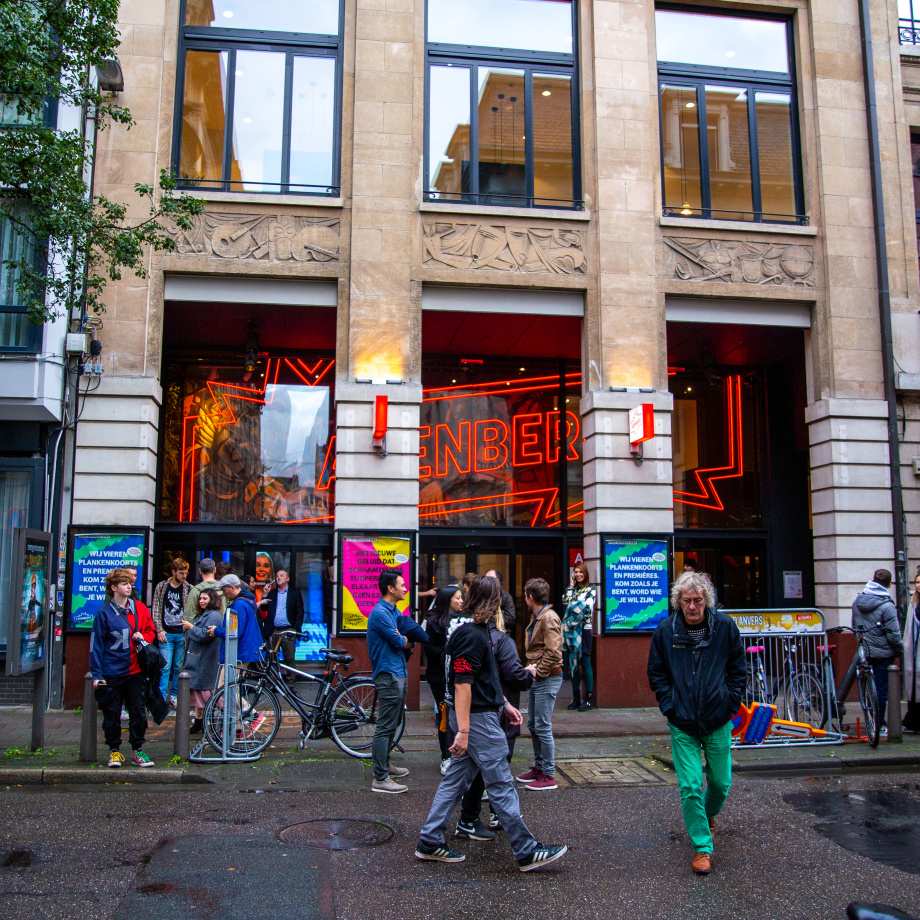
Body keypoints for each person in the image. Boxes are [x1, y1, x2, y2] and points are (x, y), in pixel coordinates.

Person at [415, 575, 566, 871]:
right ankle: (525, 850)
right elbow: (462, 684)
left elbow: (484, 680)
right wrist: (464, 730)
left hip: (479, 715)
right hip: (479, 721)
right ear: (493, 602)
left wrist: (503, 704)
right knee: (501, 784)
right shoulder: (472, 635)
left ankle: (429, 840)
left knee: (454, 781)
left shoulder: (476, 631)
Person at [647, 570, 746, 875]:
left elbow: (738, 669)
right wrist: (670, 706)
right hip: (683, 722)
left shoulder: (725, 627)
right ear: (678, 601)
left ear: (707, 601)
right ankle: (703, 847)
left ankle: (706, 814)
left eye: (698, 600)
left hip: (718, 719)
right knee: (690, 785)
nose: (692, 606)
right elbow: (657, 674)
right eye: (687, 600)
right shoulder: (666, 630)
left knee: (720, 784)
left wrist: (729, 703)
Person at [455, 603, 533, 837]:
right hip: (491, 713)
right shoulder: (499, 640)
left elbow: (464, 678)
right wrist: (529, 674)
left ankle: (461, 822)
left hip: (480, 710)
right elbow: (512, 675)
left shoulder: (467, 635)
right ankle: (516, 836)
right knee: (498, 770)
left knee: (466, 774)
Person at [367, 570, 429, 794]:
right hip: (388, 674)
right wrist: (406, 640)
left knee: (394, 722)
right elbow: (398, 641)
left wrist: (405, 639)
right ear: (390, 588)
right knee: (385, 725)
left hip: (398, 671)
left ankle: (385, 764)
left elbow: (406, 638)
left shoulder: (394, 612)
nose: (405, 588)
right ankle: (380, 778)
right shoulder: (380, 613)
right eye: (401, 585)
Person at [89, 567, 158, 768]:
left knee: (138, 712)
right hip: (112, 671)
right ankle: (114, 751)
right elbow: (96, 645)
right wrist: (96, 674)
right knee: (111, 713)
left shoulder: (140, 609)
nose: (129, 586)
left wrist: (143, 637)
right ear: (113, 587)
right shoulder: (104, 613)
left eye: (129, 583)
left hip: (136, 671)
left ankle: (138, 750)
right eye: (124, 583)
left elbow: (151, 631)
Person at [516, 577, 563, 791]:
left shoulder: (549, 617)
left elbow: (554, 651)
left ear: (530, 597)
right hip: (540, 676)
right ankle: (539, 768)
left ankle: (548, 775)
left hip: (547, 677)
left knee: (542, 725)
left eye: (525, 594)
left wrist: (538, 673)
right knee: (534, 725)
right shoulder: (538, 616)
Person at [852, 568, 904, 738]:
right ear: (889, 585)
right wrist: (900, 651)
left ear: (872, 580)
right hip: (883, 653)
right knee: (881, 689)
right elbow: (894, 634)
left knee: (869, 686)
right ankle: (879, 723)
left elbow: (855, 627)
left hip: (866, 651)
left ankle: (870, 719)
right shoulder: (887, 605)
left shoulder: (858, 601)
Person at [424, 586, 464, 774]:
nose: (461, 601)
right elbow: (428, 649)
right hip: (439, 676)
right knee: (444, 715)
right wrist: (448, 652)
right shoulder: (433, 621)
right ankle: (446, 756)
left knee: (458, 715)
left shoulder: (463, 620)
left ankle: (459, 753)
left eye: (461, 598)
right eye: (458, 598)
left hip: (457, 675)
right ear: (448, 600)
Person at [181, 588, 223, 735]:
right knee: (198, 692)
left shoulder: (214, 615)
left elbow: (205, 635)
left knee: (206, 693)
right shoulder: (204, 614)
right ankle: (199, 721)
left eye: (205, 598)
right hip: (198, 658)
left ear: (212, 599)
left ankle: (207, 721)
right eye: (200, 598)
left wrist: (191, 627)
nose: (201, 601)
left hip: (206, 659)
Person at [152, 557, 191, 708]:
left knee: (178, 666)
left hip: (182, 633)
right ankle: (162, 697)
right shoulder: (162, 587)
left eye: (186, 573)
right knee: (165, 666)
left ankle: (174, 695)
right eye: (181, 573)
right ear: (173, 572)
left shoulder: (188, 588)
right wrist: (159, 629)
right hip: (166, 632)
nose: (184, 576)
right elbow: (156, 609)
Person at [257, 569, 305, 687]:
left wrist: (295, 629)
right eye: (277, 576)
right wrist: (265, 595)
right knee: (271, 658)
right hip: (274, 630)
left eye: (281, 576)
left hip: (288, 630)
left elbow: (300, 613)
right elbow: (263, 609)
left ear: (287, 579)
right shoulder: (272, 593)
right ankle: (272, 683)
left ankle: (290, 683)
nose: (278, 577)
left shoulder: (294, 593)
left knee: (289, 658)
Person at [561, 562, 597, 711]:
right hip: (571, 630)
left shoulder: (591, 589)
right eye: (576, 572)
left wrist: (572, 605)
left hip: (584, 629)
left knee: (586, 662)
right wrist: (570, 587)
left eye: (580, 572)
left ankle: (588, 698)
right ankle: (576, 698)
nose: (578, 574)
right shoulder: (572, 590)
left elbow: (587, 608)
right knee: (573, 663)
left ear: (585, 573)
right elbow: (565, 601)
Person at [210, 574, 264, 670]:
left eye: (224, 590)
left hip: (240, 653)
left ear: (232, 587)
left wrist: (216, 630)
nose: (223, 593)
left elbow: (234, 632)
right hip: (246, 651)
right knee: (235, 679)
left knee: (225, 679)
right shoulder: (247, 601)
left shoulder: (238, 605)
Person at [903, 571, 920, 733]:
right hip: (915, 652)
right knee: (914, 687)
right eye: (917, 582)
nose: (919, 585)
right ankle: (912, 722)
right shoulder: (913, 602)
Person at [483, 569, 516, 633]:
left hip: (500, 632)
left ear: (498, 581)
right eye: (487, 580)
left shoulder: (506, 597)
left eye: (492, 580)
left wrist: (493, 620)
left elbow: (510, 619)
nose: (489, 582)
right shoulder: (482, 595)